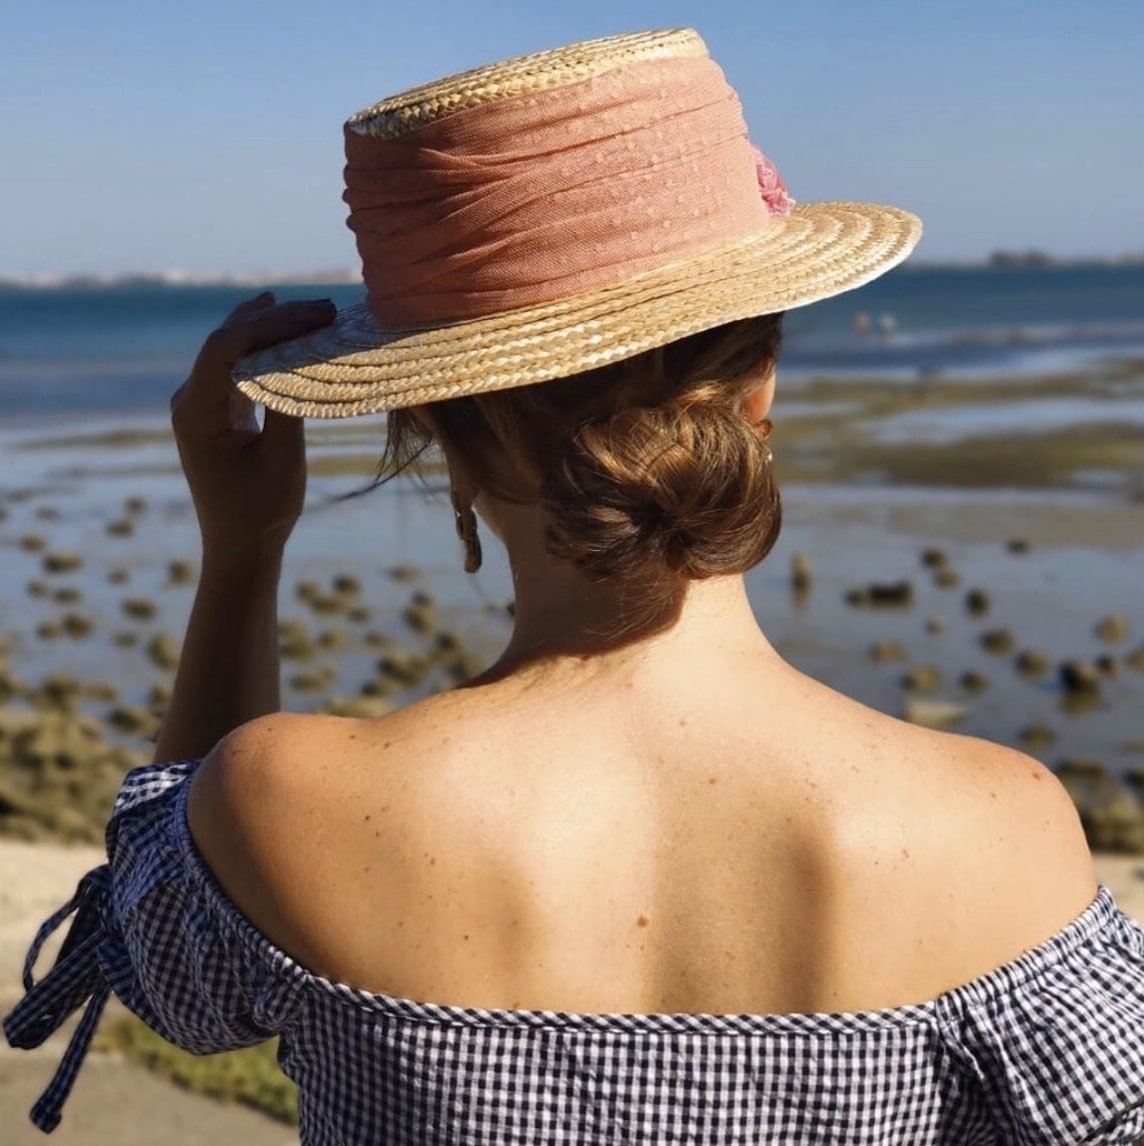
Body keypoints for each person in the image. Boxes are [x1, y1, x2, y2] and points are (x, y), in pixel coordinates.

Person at [6, 27, 1143, 1146]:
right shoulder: (1001, 834)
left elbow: (159, 962)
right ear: (759, 387)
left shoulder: (284, 802)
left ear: (436, 433)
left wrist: (242, 550)